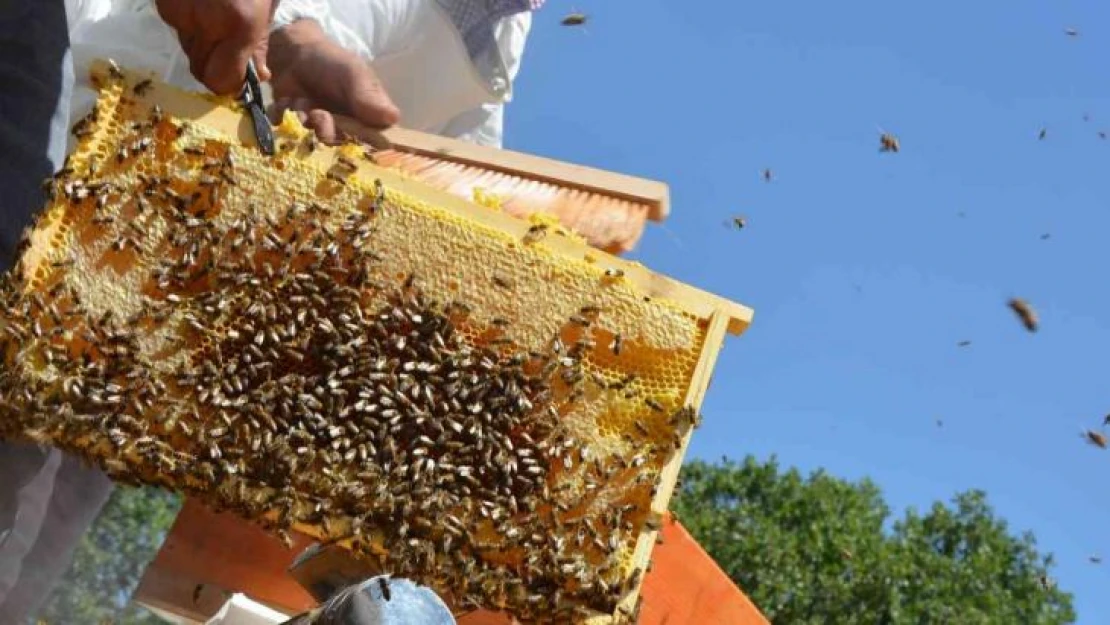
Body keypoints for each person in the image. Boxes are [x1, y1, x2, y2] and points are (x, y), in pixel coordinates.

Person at [2, 0, 543, 622]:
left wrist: (506, 236)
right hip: (90, 173)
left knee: (33, 549)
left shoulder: (506, 34)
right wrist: (293, 34)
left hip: (162, 324)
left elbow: (469, 158)